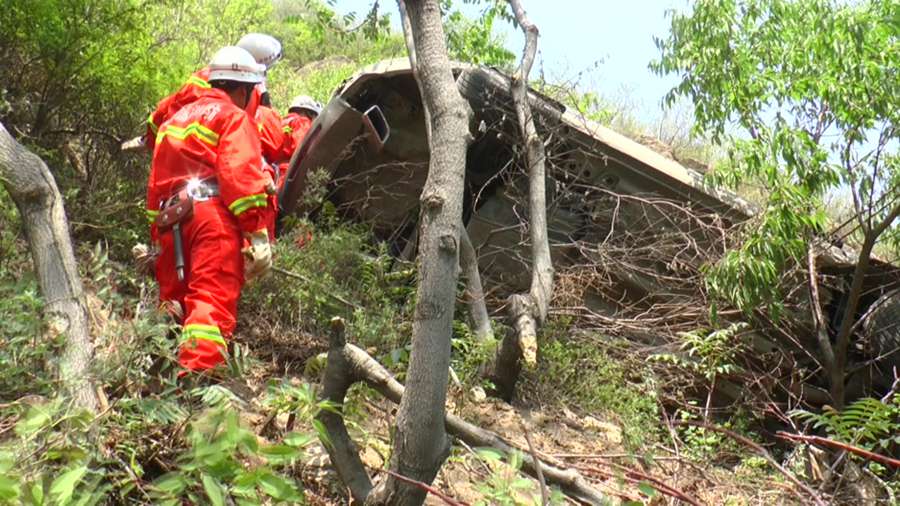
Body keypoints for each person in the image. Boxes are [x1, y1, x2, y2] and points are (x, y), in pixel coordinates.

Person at [146, 46, 275, 374]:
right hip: (211, 220)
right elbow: (239, 175)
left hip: (170, 221)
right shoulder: (233, 116)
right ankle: (195, 381)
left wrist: (156, 235)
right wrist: (257, 232)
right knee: (210, 299)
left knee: (172, 304)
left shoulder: (174, 120)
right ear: (244, 90)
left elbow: (156, 184)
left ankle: (160, 379)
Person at [144, 33, 283, 150]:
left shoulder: (207, 75)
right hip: (211, 156)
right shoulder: (250, 92)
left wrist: (151, 138)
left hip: (178, 149)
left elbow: (173, 105)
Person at [278, 95, 322, 191]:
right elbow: (303, 148)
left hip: (277, 173)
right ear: (309, 112)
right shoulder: (301, 121)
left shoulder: (281, 122)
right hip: (291, 173)